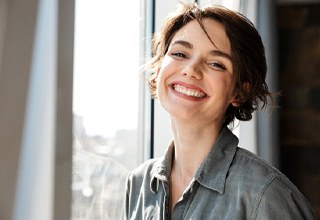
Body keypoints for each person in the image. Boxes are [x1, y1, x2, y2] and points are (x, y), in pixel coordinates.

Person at [124, 2, 315, 220]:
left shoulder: (265, 195)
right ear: (159, 69)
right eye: (179, 53)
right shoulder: (138, 184)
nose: (191, 70)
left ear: (240, 92)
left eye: (216, 64)